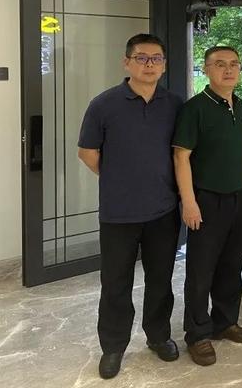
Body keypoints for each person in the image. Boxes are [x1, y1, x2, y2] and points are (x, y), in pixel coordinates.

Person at [78, 34, 182, 380]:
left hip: (163, 210)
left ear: (164, 65)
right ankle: (113, 346)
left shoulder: (174, 104)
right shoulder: (104, 104)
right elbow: (87, 153)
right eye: (141, 58)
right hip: (118, 212)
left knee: (161, 279)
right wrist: (118, 177)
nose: (149, 64)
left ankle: (159, 335)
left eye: (156, 59)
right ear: (127, 62)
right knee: (115, 283)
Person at [172, 45, 242, 367]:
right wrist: (189, 202)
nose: (229, 70)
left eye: (234, 64)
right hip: (206, 199)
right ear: (206, 69)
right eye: (220, 64)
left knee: (232, 265)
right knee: (201, 270)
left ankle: (225, 321)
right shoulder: (194, 108)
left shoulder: (241, 106)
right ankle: (197, 334)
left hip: (239, 196)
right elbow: (181, 157)